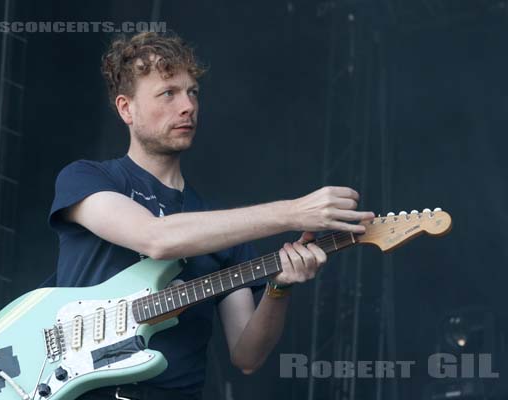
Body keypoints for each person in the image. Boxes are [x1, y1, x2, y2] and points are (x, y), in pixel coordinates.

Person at [48, 31, 374, 400]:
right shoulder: (88, 178)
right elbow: (155, 238)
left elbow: (247, 355)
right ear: (126, 108)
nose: (187, 106)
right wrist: (295, 211)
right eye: (168, 93)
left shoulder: (222, 228)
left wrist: (279, 288)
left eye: (193, 92)